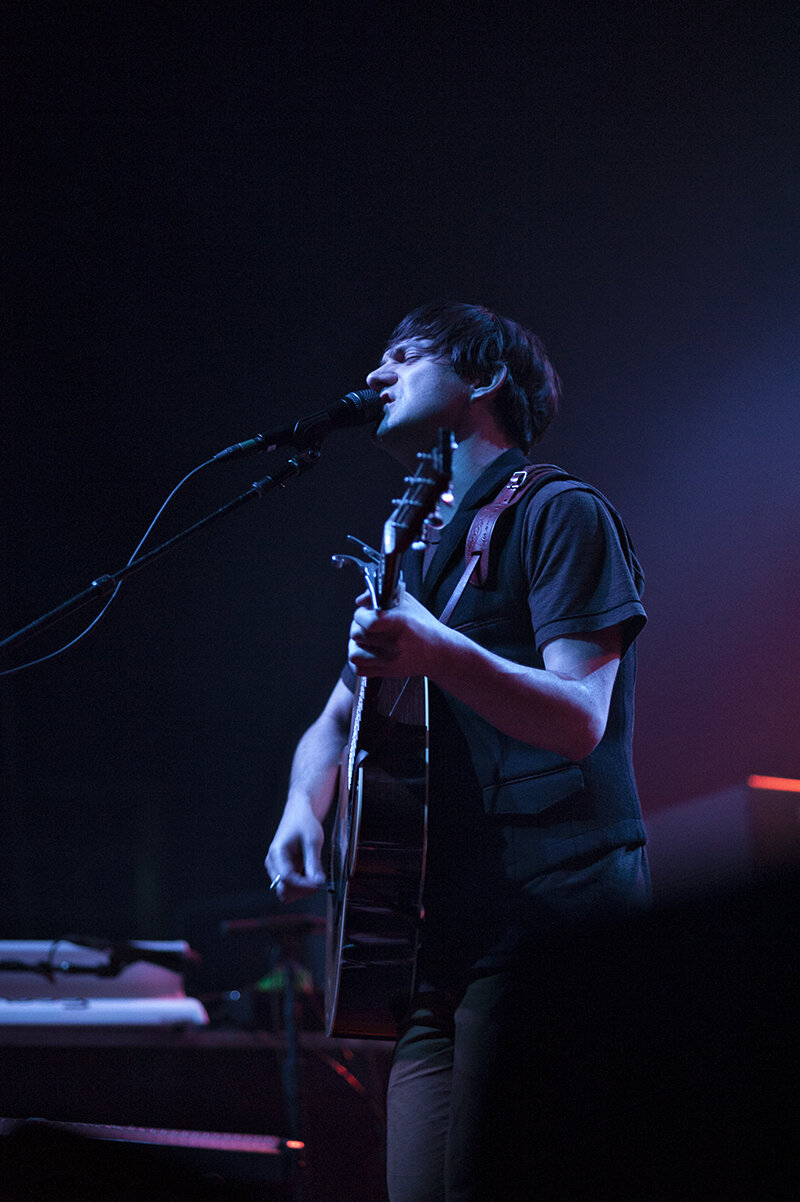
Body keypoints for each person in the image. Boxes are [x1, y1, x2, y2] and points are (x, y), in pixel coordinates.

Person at [265, 303, 648, 1201]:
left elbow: (580, 719)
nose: (376, 374)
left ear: (483, 376)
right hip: (432, 943)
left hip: (547, 925)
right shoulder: (419, 553)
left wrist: (440, 651)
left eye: (406, 355)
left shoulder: (560, 512)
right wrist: (301, 810)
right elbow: (335, 722)